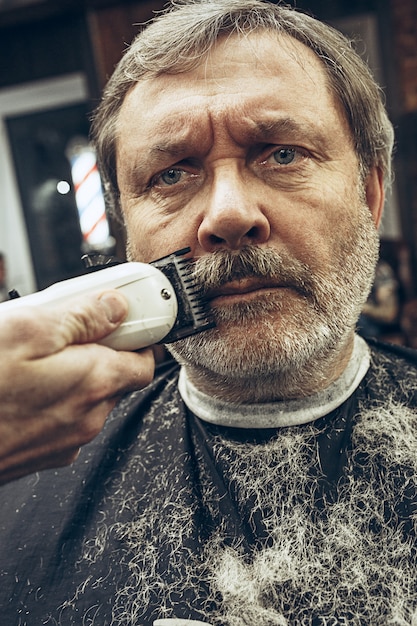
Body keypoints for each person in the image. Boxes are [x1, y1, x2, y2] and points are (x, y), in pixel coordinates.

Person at [1, 1, 417, 624]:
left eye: (281, 154)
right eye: (172, 173)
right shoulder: (21, 483)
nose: (227, 215)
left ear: (370, 193)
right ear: (127, 238)